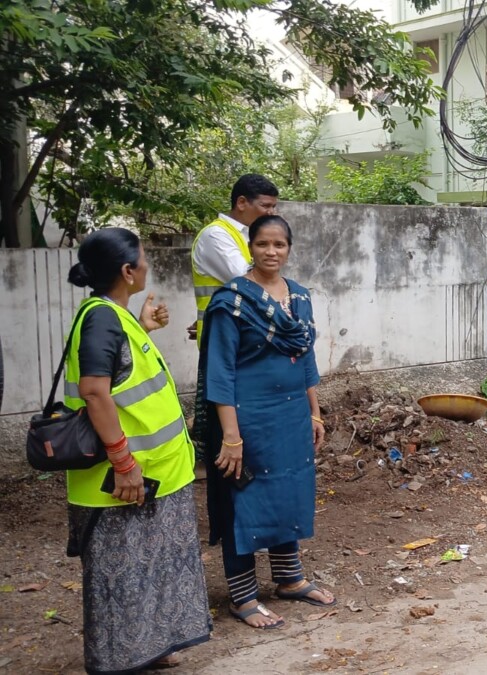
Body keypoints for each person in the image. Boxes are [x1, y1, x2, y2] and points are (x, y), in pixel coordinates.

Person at [63, 228, 211, 672]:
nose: (147, 264)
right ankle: (124, 656)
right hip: (125, 479)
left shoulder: (116, 316)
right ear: (128, 271)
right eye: (143, 258)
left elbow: (120, 375)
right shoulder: (101, 318)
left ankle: (150, 647)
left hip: (157, 474)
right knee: (123, 574)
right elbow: (94, 391)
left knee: (153, 567)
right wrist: (124, 462)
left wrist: (143, 326)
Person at [198, 215, 333, 629]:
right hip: (246, 419)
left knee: (288, 491)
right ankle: (242, 597)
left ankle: (289, 579)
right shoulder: (231, 302)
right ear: (250, 248)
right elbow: (220, 373)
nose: (271, 252)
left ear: (289, 248)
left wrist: (314, 411)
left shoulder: (300, 296)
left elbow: (307, 359)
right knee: (244, 499)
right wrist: (232, 437)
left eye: (279, 244)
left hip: (292, 415)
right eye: (262, 244)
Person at [190, 174, 279, 343]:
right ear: (241, 203)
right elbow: (250, 284)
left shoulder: (247, 235)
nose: (271, 213)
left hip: (241, 332)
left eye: (274, 207)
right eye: (265, 206)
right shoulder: (216, 235)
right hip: (223, 336)